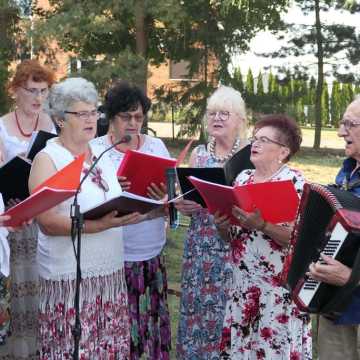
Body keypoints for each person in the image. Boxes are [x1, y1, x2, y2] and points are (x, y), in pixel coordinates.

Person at [28, 77, 143, 358]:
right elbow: (48, 222)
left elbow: (113, 206)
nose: (92, 119)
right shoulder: (49, 159)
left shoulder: (101, 154)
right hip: (71, 284)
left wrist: (150, 208)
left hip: (109, 278)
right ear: (59, 119)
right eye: (82, 113)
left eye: (94, 112)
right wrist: (99, 225)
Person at [214, 114, 312, 359]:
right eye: (254, 138)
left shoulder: (295, 183)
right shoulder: (242, 179)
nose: (254, 144)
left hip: (276, 293)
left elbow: (299, 241)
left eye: (263, 140)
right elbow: (232, 239)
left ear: (282, 152)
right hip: (242, 288)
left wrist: (263, 225)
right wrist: (222, 225)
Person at [91, 80, 171, 359]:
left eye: (139, 117)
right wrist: (113, 190)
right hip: (112, 257)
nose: (133, 123)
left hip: (150, 254)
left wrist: (163, 197)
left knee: (149, 328)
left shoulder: (157, 147)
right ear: (111, 117)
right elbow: (86, 204)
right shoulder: (95, 150)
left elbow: (172, 202)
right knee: (117, 331)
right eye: (126, 116)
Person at [175, 85, 248, 359]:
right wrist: (186, 205)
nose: (216, 119)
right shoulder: (199, 155)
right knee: (197, 314)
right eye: (212, 113)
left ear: (240, 120)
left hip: (233, 248)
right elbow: (188, 203)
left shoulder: (249, 157)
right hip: (200, 248)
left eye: (224, 114)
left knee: (229, 314)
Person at [0, 59, 56, 358]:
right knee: (16, 285)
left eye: (43, 91)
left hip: (44, 217)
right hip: (12, 218)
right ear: (16, 91)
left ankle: (41, 348)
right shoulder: (1, 126)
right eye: (31, 90)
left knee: (42, 285)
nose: (38, 98)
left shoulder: (50, 125)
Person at [309, 97, 360, 360]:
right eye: (342, 124)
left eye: (350, 124)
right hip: (336, 305)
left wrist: (352, 277)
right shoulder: (347, 174)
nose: (341, 132)